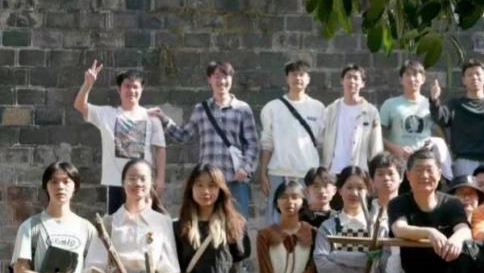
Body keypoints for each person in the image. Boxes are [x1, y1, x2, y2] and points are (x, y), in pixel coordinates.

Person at [151, 61, 259, 217]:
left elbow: (252, 144)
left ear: (231, 79)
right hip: (208, 181)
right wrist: (164, 119)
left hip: (235, 179)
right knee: (207, 222)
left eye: (226, 76)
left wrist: (245, 168)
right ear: (209, 79)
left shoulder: (243, 109)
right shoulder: (201, 109)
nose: (222, 81)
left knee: (237, 224)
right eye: (217, 76)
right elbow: (184, 136)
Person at [74, 61, 166, 213]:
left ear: (141, 90)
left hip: (143, 182)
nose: (131, 90)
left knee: (144, 222)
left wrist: (160, 179)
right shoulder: (107, 114)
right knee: (116, 224)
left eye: (135, 87)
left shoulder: (151, 117)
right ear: (119, 89)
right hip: (116, 182)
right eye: (127, 86)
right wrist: (88, 84)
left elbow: (160, 148)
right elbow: (79, 105)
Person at [258, 60, 325, 224]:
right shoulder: (272, 108)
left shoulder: (318, 108)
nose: (298, 78)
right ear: (287, 78)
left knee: (307, 219)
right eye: (294, 74)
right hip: (278, 172)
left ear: (308, 79)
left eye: (302, 74)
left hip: (307, 173)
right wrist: (263, 173)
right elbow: (267, 144)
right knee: (275, 220)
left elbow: (322, 142)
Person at [379, 59, 454, 178]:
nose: (412, 79)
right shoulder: (390, 104)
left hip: (424, 164)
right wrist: (396, 149)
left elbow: (441, 129)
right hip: (398, 165)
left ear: (423, 79)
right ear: (401, 79)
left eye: (415, 75)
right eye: (408, 75)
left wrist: (435, 100)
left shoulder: (431, 104)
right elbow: (377, 135)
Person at [321, 64, 384, 175]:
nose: (352, 81)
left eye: (356, 78)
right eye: (348, 77)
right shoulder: (331, 110)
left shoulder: (371, 112)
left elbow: (376, 146)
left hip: (358, 171)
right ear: (342, 81)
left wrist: (375, 172)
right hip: (333, 171)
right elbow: (320, 138)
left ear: (363, 83)